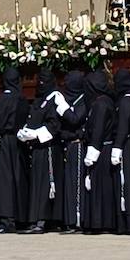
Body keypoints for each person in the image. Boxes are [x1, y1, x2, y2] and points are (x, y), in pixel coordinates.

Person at [0, 66, 29, 234]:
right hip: (18, 141)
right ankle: (20, 216)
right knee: (18, 177)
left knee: (3, 179)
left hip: (3, 141)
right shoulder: (22, 99)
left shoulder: (3, 99)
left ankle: (5, 217)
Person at [19, 73, 61, 234]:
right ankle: (35, 217)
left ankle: (43, 219)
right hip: (37, 148)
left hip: (48, 147)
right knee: (36, 182)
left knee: (45, 183)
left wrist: (37, 134)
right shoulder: (39, 100)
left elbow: (54, 124)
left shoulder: (54, 99)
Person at [52, 70, 88, 233]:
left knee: (77, 183)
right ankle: (69, 219)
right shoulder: (69, 98)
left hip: (78, 145)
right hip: (68, 144)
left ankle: (78, 219)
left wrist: (64, 108)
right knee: (69, 183)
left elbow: (75, 118)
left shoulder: (84, 99)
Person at [81, 70, 117, 235]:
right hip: (102, 147)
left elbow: (98, 129)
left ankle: (100, 222)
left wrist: (92, 151)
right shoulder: (103, 101)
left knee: (100, 187)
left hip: (101, 148)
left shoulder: (101, 104)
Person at [110, 69, 130, 234]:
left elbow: (123, 125)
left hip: (125, 146)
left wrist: (118, 147)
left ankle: (128, 222)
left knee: (126, 183)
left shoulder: (126, 101)